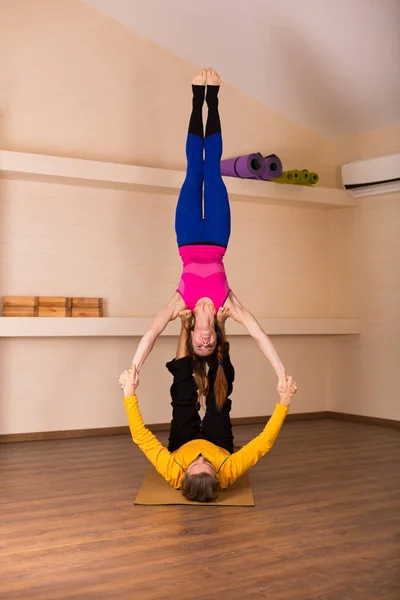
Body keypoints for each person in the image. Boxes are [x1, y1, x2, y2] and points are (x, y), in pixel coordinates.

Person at [131, 67, 289, 407]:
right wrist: (281, 374)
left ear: (192, 340)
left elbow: (151, 333)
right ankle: (213, 99)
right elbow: (260, 336)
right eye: (209, 346)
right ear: (216, 339)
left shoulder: (180, 305)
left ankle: (195, 98)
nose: (203, 342)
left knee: (194, 168)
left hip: (187, 237)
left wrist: (134, 369)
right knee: (211, 165)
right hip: (217, 236)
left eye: (198, 346)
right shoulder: (228, 305)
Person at [120, 317, 297, 502]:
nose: (201, 458)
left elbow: (141, 437)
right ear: (217, 477)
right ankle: (220, 325)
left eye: (195, 464)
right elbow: (263, 443)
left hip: (183, 443)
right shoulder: (228, 471)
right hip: (218, 444)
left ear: (184, 475)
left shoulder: (172, 470)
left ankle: (185, 325)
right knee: (218, 400)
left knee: (182, 396)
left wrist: (129, 393)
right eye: (208, 465)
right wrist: (284, 402)